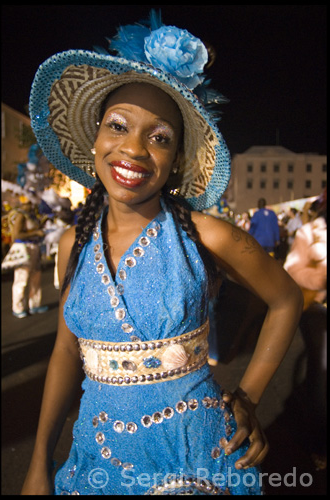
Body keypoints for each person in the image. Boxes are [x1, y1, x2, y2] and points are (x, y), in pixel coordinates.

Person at [22, 11, 303, 495]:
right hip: (98, 460)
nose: (133, 149)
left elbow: (286, 299)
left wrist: (250, 396)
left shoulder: (207, 235)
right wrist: (38, 464)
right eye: (118, 126)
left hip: (198, 457)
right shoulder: (73, 243)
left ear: (174, 163)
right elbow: (67, 352)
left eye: (159, 138)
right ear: (95, 141)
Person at [284, 193, 327, 470]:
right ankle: (320, 444)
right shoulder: (309, 232)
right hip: (319, 314)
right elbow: (292, 270)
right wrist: (321, 276)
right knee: (322, 377)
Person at [8, 196, 48, 318]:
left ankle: (35, 304)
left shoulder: (30, 215)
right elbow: (16, 235)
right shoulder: (20, 215)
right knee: (21, 278)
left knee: (36, 276)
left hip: (33, 248)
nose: (31, 205)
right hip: (23, 249)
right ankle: (18, 307)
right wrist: (36, 233)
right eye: (29, 202)